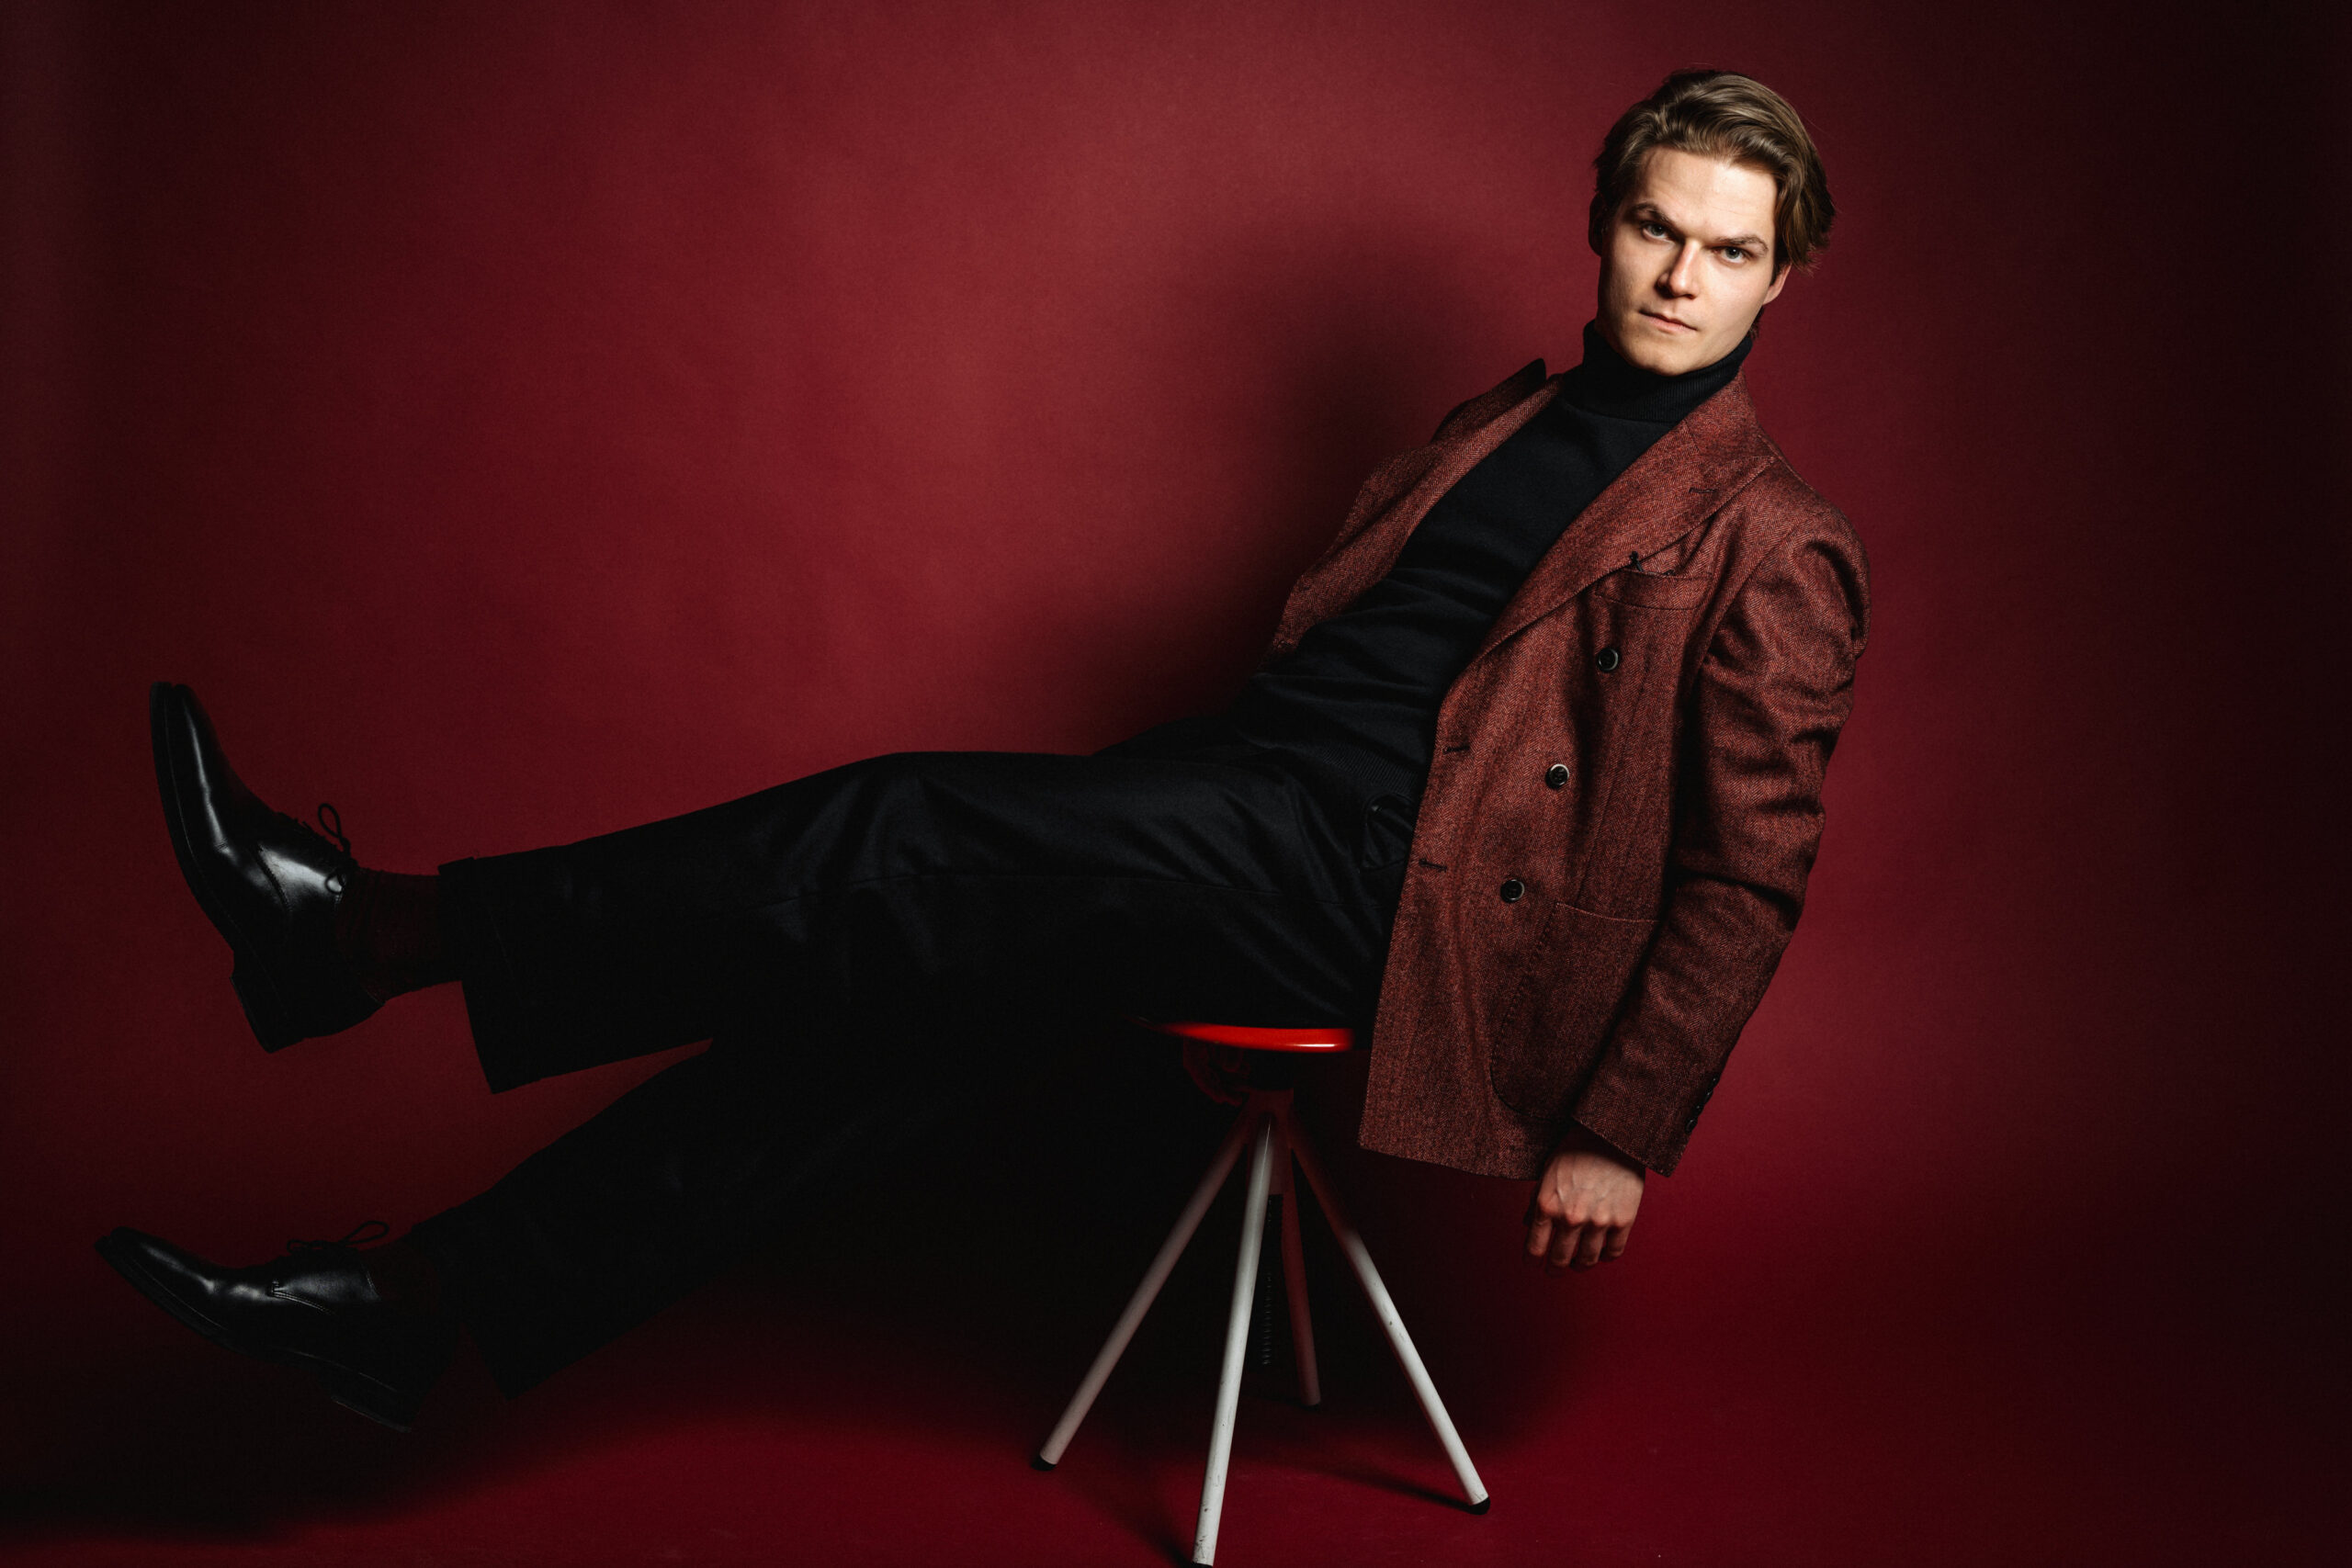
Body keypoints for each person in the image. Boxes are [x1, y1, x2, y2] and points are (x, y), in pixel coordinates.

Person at [97, 68, 1868, 1433]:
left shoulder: (1774, 542)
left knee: (899, 825)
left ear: (1782, 277)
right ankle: (421, 1308)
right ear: (1601, 222)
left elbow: (1747, 872)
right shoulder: (1514, 415)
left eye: (1730, 252)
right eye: (1657, 229)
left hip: (1379, 889)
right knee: (870, 1023)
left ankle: (374, 935)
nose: (1681, 276)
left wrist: (1620, 1127)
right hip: (1242, 800)